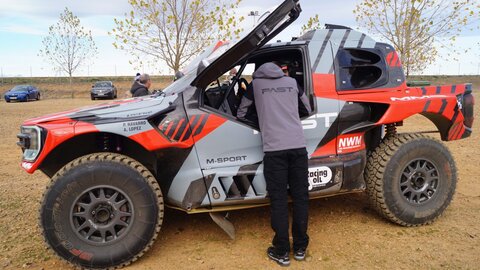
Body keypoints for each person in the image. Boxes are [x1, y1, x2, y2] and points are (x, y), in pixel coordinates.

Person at [237, 62, 311, 266]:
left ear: (258, 71)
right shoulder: (293, 83)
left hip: (274, 150)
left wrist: (265, 121)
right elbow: (307, 108)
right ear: (281, 69)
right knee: (300, 197)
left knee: (278, 200)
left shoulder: (255, 85)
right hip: (298, 147)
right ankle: (300, 248)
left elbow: (241, 114)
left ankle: (281, 251)